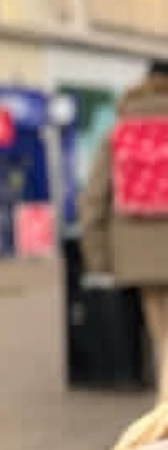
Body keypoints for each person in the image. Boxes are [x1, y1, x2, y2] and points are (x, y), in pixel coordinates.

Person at [81, 60, 168, 403]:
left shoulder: (118, 131)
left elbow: (94, 198)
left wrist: (98, 257)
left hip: (137, 255)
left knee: (161, 334)